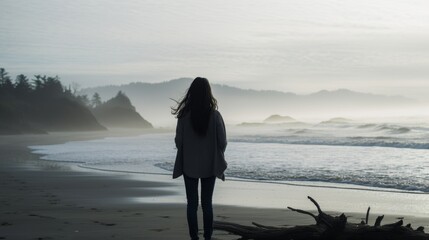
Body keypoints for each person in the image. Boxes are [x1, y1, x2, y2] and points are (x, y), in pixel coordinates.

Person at [172, 77, 227, 240]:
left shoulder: (183, 117)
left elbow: (178, 142)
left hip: (189, 165)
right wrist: (215, 154)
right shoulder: (216, 116)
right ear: (208, 94)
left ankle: (194, 238)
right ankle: (208, 237)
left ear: (191, 94)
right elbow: (222, 142)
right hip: (210, 166)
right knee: (207, 204)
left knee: (192, 204)